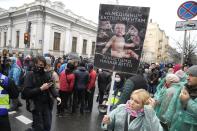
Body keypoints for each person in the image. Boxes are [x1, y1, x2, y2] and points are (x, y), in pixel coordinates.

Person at [22, 56, 61, 131]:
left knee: (47, 125)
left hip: (46, 104)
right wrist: (40, 89)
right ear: (35, 64)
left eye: (43, 65)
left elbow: (51, 86)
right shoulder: (30, 75)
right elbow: (26, 93)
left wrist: (56, 96)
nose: (41, 67)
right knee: (39, 127)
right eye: (39, 65)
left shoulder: (46, 74)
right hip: (36, 105)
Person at [170, 65, 197, 131]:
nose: (188, 78)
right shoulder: (184, 88)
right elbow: (173, 107)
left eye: (192, 75)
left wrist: (188, 101)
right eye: (188, 75)